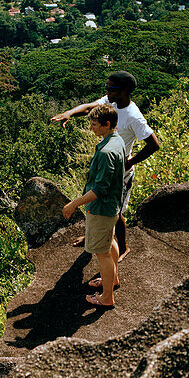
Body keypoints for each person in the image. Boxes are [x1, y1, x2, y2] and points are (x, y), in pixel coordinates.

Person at [52, 71, 160, 262]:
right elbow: (89, 108)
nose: (107, 93)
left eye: (112, 90)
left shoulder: (133, 116)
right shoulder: (112, 102)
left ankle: (124, 247)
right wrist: (69, 113)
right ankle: (93, 234)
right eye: (107, 89)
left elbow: (154, 145)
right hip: (104, 164)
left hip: (120, 172)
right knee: (94, 201)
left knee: (115, 212)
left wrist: (128, 162)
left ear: (125, 91)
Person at [62, 103, 125, 309]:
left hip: (102, 208)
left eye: (95, 124)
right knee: (110, 241)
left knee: (102, 253)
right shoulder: (117, 141)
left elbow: (99, 189)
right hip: (113, 205)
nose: (91, 128)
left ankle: (107, 297)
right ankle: (112, 280)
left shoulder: (107, 151)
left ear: (107, 124)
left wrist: (74, 204)